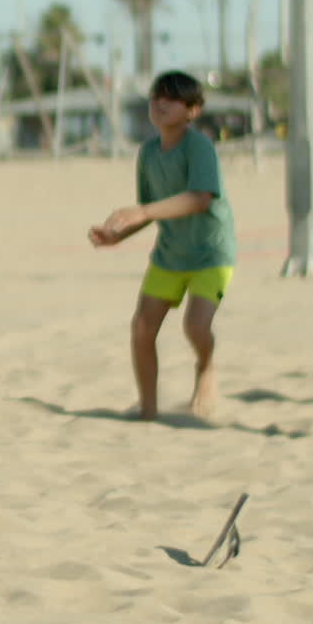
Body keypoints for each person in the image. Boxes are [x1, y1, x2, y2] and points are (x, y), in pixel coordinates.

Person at [88, 70, 236, 421]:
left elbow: (199, 199)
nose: (160, 103)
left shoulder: (199, 147)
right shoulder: (149, 153)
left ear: (193, 110)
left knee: (196, 327)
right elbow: (152, 211)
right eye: (156, 97)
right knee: (142, 328)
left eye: (171, 98)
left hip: (211, 251)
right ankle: (148, 410)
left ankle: (206, 365)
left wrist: (141, 210)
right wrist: (117, 236)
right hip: (171, 254)